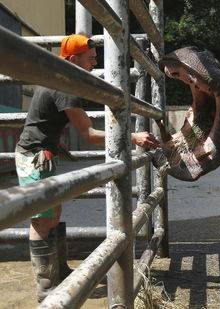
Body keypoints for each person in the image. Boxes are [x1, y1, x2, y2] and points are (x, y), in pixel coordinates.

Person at [14, 33, 160, 302]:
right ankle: (45, 285)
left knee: (51, 213)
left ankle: (57, 273)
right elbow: (89, 134)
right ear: (73, 59)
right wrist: (133, 137)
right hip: (35, 155)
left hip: (41, 153)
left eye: (94, 55)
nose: (94, 60)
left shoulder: (63, 79)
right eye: (89, 56)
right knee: (43, 219)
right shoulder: (65, 86)